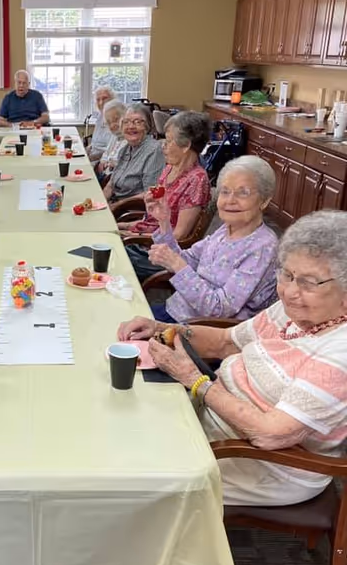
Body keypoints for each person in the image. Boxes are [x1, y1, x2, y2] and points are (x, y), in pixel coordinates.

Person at [118, 210, 347, 507]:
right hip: (214, 419)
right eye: (287, 275)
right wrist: (164, 328)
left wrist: (194, 380)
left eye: (308, 283)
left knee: (132, 476)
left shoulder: (338, 354)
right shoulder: (295, 312)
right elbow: (226, 342)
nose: (290, 291)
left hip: (267, 464)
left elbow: (269, 435)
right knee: (123, 421)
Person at [144, 155, 279, 323]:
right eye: (225, 191)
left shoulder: (263, 247)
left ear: (264, 201)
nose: (230, 201)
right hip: (175, 312)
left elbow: (219, 310)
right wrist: (163, 221)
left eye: (242, 193)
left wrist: (177, 265)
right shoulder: (224, 231)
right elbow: (185, 260)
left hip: (198, 331)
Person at [119, 111, 211, 281]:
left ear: (185, 146)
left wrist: (132, 236)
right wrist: (123, 225)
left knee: (110, 256)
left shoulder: (197, 180)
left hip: (159, 251)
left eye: (168, 141)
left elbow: (179, 235)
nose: (163, 146)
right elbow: (153, 219)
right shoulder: (170, 167)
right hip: (143, 238)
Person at [103, 104, 164, 204]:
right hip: (114, 203)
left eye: (138, 122)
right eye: (126, 122)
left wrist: (116, 206)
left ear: (147, 126)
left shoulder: (154, 150)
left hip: (130, 210)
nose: (130, 126)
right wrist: (100, 202)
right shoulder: (125, 149)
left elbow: (150, 193)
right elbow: (111, 184)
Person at [95, 99, 127, 181]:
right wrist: (103, 160)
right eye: (108, 123)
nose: (112, 125)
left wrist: (112, 163)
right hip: (105, 173)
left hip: (115, 177)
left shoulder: (129, 139)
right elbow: (107, 152)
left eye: (116, 120)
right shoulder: (115, 136)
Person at [88, 86, 116, 162]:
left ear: (113, 100)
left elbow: (112, 150)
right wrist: (86, 150)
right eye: (98, 99)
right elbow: (95, 142)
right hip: (93, 156)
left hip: (103, 161)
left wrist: (89, 158)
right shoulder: (100, 116)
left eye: (104, 98)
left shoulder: (116, 119)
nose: (101, 102)